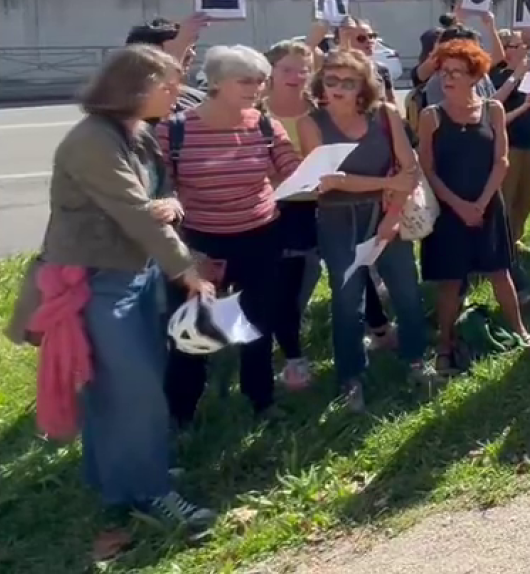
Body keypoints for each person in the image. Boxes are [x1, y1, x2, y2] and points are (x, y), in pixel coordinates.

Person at [21, 46, 218, 551]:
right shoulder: (92, 139)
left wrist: (169, 202)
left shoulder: (137, 131)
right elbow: (133, 211)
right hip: (96, 280)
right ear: (133, 87)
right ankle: (151, 491)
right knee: (135, 390)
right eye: (168, 84)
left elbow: (158, 191)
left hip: (134, 273)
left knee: (125, 385)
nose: (177, 92)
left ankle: (123, 478)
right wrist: (188, 271)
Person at [157, 46, 302, 424]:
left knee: (257, 326)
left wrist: (325, 172)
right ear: (216, 82)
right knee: (191, 331)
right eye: (245, 80)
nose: (256, 88)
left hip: (261, 237)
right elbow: (160, 192)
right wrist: (187, 251)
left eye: (259, 80)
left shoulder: (266, 125)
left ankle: (261, 401)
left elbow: (290, 169)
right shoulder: (174, 130)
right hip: (200, 246)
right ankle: (181, 414)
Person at [296, 48, 434, 410]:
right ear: (320, 82)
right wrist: (381, 182)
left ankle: (416, 359)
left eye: (348, 81)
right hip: (337, 220)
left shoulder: (385, 115)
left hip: (390, 212)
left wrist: (388, 217)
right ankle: (351, 376)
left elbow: (410, 170)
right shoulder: (311, 122)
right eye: (331, 80)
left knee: (406, 289)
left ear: (363, 86)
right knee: (346, 298)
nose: (338, 88)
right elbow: (325, 182)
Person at [418, 39, 528, 367]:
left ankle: (520, 330)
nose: (448, 78)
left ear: (475, 75)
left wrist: (480, 204)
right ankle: (445, 343)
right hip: (449, 212)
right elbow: (428, 170)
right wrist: (459, 205)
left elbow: (502, 161)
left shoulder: (493, 109)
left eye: (457, 72)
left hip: (488, 206)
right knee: (451, 281)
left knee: (499, 273)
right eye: (444, 71)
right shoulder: (431, 116)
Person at [262, 40, 319, 392]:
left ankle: (285, 333)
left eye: (304, 69)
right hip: (272, 210)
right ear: (270, 71)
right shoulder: (255, 113)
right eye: (287, 69)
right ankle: (293, 358)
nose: (297, 76)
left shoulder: (319, 110)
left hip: (316, 207)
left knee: (306, 280)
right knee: (279, 286)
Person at [487, 30, 530, 268]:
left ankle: (516, 238)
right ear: (507, 49)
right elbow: (495, 113)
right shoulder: (498, 77)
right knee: (507, 199)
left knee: (527, 198)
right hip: (511, 146)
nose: (525, 49)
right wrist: (517, 76)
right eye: (519, 45)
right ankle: (504, 247)